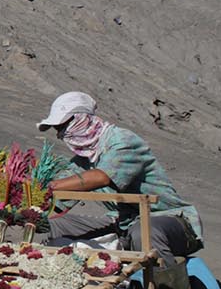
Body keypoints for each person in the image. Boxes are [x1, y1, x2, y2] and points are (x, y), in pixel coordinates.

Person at [40, 92, 202, 257]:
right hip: (124, 223)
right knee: (55, 225)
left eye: (63, 127)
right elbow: (59, 196)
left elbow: (101, 177)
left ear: (81, 119)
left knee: (144, 233)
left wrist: (52, 187)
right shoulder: (85, 159)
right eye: (58, 130)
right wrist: (30, 206)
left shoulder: (123, 142)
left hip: (168, 221)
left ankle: (162, 283)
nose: (61, 135)